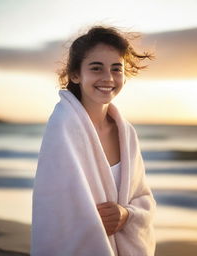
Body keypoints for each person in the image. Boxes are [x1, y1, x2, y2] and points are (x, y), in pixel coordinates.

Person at [31, 26, 156, 256]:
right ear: (76, 75)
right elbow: (54, 206)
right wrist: (90, 220)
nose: (108, 78)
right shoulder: (63, 127)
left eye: (116, 69)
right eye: (96, 68)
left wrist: (126, 214)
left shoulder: (126, 133)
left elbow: (142, 198)